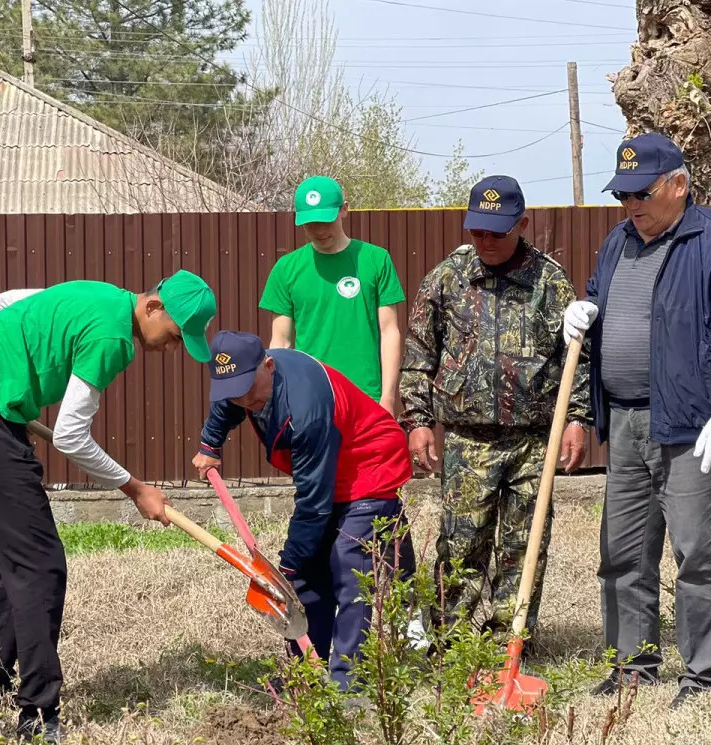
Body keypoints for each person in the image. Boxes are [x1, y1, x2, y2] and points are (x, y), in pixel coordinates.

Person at [0, 271, 217, 743]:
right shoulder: (111, 339)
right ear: (152, 307)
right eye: (173, 336)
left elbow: (8, 300)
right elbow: (69, 437)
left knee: (17, 563)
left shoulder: (98, 294)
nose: (170, 348)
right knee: (41, 567)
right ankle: (38, 716)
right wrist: (137, 489)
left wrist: (10, 379)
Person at [564, 133, 711, 709]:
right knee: (623, 552)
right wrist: (585, 311)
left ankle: (702, 676)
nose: (631, 205)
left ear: (678, 185)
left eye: (642, 193)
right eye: (622, 195)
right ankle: (632, 666)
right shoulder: (618, 242)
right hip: (625, 422)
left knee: (695, 552)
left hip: (690, 424)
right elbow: (605, 299)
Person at [399, 175, 590, 644]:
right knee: (461, 545)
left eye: (496, 232)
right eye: (476, 231)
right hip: (467, 440)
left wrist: (578, 419)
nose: (484, 241)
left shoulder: (549, 282)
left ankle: (508, 643)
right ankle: (452, 645)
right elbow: (419, 355)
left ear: (521, 224)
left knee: (523, 548)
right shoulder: (447, 279)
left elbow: (577, 358)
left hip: (532, 440)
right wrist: (418, 421)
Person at [192, 330, 418, 693]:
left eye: (248, 388)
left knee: (348, 563)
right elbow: (227, 402)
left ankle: (349, 683)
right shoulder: (242, 386)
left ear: (268, 365)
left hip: (368, 463)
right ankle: (307, 674)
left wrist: (287, 566)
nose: (242, 399)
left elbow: (313, 504)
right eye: (232, 390)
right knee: (310, 572)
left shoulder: (305, 408)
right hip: (331, 464)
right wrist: (210, 443)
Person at [259, 175, 407, 411]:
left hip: (366, 398)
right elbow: (281, 342)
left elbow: (390, 332)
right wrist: (279, 400)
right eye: (310, 223)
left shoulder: (376, 260)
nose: (319, 230)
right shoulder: (286, 269)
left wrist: (387, 398)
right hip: (310, 399)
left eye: (325, 220)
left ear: (344, 210)